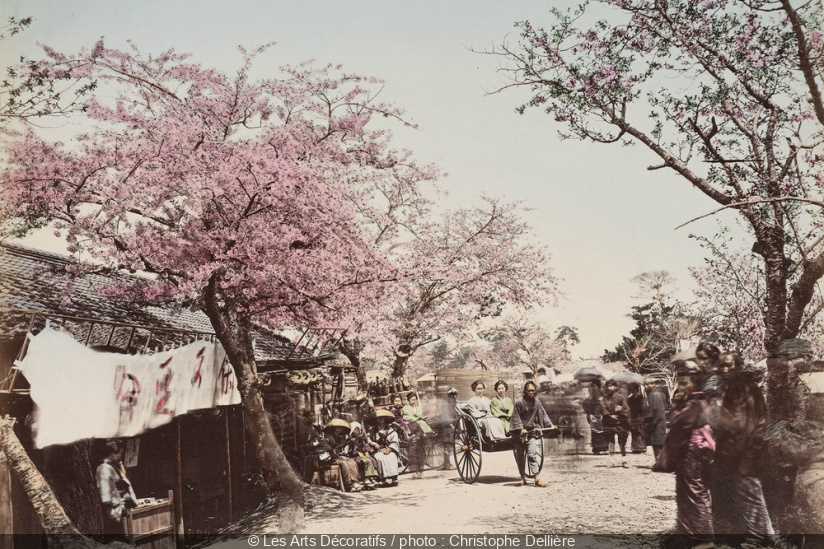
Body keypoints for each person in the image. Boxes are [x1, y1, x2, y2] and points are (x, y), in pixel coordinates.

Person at [711, 352, 775, 547]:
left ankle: (758, 539)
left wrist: (726, 456)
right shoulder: (741, 386)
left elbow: (739, 426)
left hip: (744, 453)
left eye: (729, 365)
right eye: (721, 365)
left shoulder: (741, 388)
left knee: (749, 494)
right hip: (746, 451)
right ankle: (766, 535)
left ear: (738, 366)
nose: (724, 369)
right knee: (749, 494)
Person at [653, 360, 714, 540]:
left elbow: (680, 426)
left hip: (691, 454)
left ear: (695, 383)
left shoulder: (694, 403)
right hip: (692, 453)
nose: (682, 386)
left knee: (695, 496)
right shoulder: (699, 401)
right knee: (689, 495)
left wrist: (675, 410)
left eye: (685, 383)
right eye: (681, 382)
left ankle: (702, 537)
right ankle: (689, 535)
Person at [510, 381, 553, 487]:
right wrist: (520, 428)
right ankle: (522, 478)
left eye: (533, 391)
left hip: (531, 432)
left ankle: (536, 478)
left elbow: (543, 414)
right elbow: (515, 416)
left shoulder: (537, 402)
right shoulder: (519, 402)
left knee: (532, 454)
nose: (531, 393)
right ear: (525, 391)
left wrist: (550, 425)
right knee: (520, 456)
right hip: (519, 434)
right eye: (529, 391)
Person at [96, 440, 137, 537]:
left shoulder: (112, 467)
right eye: (118, 453)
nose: (119, 456)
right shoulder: (104, 468)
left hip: (118, 510)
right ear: (111, 453)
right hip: (112, 512)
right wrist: (110, 513)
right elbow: (105, 492)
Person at [322, 420, 363, 492]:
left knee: (351, 461)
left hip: (337, 456)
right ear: (334, 428)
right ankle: (348, 484)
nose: (339, 429)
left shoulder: (340, 437)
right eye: (337, 427)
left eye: (340, 428)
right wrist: (332, 449)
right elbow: (325, 447)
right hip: (329, 458)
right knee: (344, 463)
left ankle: (354, 481)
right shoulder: (328, 437)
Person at [368, 410, 401, 487]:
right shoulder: (372, 430)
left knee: (391, 456)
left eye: (382, 418)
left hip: (388, 449)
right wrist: (373, 443)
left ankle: (393, 478)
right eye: (378, 418)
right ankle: (382, 479)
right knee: (379, 457)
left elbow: (395, 441)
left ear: (385, 419)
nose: (380, 420)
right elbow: (368, 439)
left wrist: (389, 449)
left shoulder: (390, 430)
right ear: (376, 419)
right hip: (377, 450)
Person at [602, 379, 631, 467]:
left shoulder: (620, 397)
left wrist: (618, 411)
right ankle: (612, 461)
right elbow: (603, 408)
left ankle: (624, 460)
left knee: (622, 441)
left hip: (620, 421)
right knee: (611, 441)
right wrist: (610, 416)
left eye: (611, 386)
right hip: (608, 422)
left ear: (615, 387)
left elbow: (626, 409)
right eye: (608, 386)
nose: (610, 388)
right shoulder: (604, 398)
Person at [347, 422, 380, 490]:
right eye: (355, 429)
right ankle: (366, 479)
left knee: (371, 459)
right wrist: (358, 453)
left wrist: (367, 452)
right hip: (355, 456)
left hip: (364, 454)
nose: (357, 431)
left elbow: (366, 446)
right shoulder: (351, 440)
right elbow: (350, 451)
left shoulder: (363, 438)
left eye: (358, 429)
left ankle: (372, 478)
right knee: (365, 461)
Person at [644, 376, 668, 461]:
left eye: (648, 384)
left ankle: (659, 462)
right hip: (659, 421)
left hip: (656, 422)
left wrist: (651, 424)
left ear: (653, 384)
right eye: (645, 385)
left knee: (657, 443)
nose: (646, 386)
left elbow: (655, 410)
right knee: (659, 443)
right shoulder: (657, 393)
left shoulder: (654, 394)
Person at [582, 380, 608, 454]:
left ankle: (604, 448)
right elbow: (584, 404)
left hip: (602, 416)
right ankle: (596, 448)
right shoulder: (590, 396)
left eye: (594, 386)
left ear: (599, 387)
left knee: (603, 431)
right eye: (592, 386)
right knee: (595, 432)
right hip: (593, 416)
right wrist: (588, 412)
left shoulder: (602, 395)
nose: (593, 388)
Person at [438, 387, 459, 470]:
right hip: (446, 427)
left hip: (451, 425)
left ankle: (447, 463)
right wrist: (451, 423)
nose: (453, 397)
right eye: (451, 395)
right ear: (448, 396)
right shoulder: (446, 404)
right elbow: (445, 416)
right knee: (448, 445)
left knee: (449, 445)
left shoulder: (454, 403)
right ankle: (447, 464)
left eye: (455, 395)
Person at [627, 382, 647, 454]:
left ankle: (642, 448)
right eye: (631, 389)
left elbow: (644, 408)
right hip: (633, 417)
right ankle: (635, 448)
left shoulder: (642, 398)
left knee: (640, 433)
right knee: (634, 433)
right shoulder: (630, 398)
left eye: (633, 389)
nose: (632, 391)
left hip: (640, 417)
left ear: (637, 389)